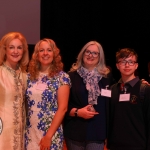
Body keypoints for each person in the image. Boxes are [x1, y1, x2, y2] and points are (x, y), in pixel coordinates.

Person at [63, 41, 114, 150]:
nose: (91, 55)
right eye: (88, 52)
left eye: (95, 53)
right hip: (75, 131)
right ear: (82, 53)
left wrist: (141, 83)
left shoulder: (107, 77)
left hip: (97, 132)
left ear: (100, 56)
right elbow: (62, 106)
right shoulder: (70, 76)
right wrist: (78, 112)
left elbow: (117, 95)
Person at [25, 38, 71, 150]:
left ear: (54, 54)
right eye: (41, 50)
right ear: (36, 54)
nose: (45, 53)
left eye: (49, 50)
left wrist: (48, 136)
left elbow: (63, 108)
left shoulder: (62, 77)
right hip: (30, 132)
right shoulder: (29, 77)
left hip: (50, 132)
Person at [107, 48, 150, 150]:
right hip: (115, 145)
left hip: (138, 145)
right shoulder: (112, 90)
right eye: (123, 62)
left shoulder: (144, 89)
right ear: (117, 65)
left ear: (136, 65)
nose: (127, 65)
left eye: (131, 62)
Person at [0, 32, 29, 150]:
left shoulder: (25, 76)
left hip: (21, 132)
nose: (15, 51)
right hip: (2, 131)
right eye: (11, 47)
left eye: (19, 47)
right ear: (5, 50)